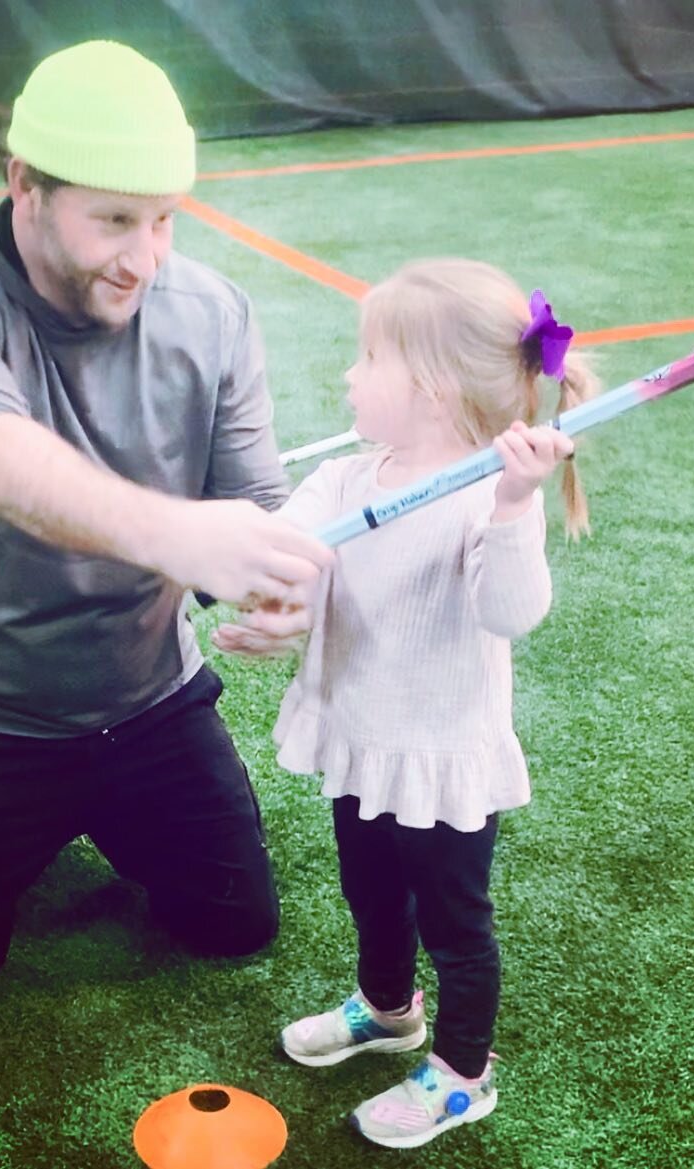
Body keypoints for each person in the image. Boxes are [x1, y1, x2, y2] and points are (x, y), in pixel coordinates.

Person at [0, 39, 331, 1027]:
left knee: (233, 926)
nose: (145, 258)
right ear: (23, 182)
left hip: (148, 703)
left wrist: (278, 586)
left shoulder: (211, 313)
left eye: (163, 219)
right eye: (114, 219)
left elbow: (256, 503)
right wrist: (177, 537)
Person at [213, 258, 598, 1148]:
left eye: (367, 357)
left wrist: (511, 505)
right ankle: (388, 1010)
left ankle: (465, 1073)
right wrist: (269, 596)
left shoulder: (486, 498)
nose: (349, 374)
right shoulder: (350, 481)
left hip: (440, 757)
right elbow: (291, 549)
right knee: (371, 892)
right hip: (361, 740)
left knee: (456, 924)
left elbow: (513, 610)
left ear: (427, 388)